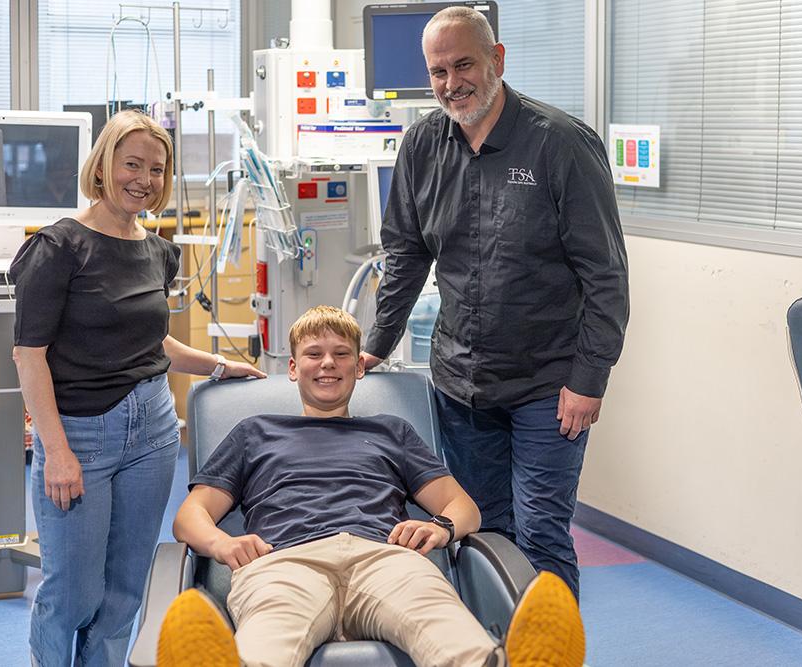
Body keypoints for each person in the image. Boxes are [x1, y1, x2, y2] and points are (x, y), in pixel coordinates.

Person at [360, 6, 630, 599]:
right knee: (477, 530)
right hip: (462, 385)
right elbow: (405, 253)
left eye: (464, 65)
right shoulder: (423, 144)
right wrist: (374, 345)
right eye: (438, 71)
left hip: (548, 385)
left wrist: (591, 377)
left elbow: (605, 273)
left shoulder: (560, 143)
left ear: (497, 60)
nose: (451, 83)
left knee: (540, 537)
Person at [154, 306, 586, 667]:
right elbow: (191, 515)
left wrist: (441, 527)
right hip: (285, 562)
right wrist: (221, 545)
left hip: (384, 558)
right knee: (266, 642)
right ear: (292, 367)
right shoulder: (255, 432)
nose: (328, 363)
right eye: (314, 353)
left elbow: (463, 506)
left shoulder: (390, 431)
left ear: (360, 367)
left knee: (447, 630)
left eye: (342, 354)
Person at [10, 109, 265, 666]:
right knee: (71, 594)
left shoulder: (158, 251)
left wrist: (221, 366)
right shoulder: (58, 249)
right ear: (103, 165)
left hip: (152, 433)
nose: (143, 179)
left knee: (126, 589)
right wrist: (56, 452)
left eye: (156, 169)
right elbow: (28, 357)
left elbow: (155, 343)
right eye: (132, 164)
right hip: (80, 438)